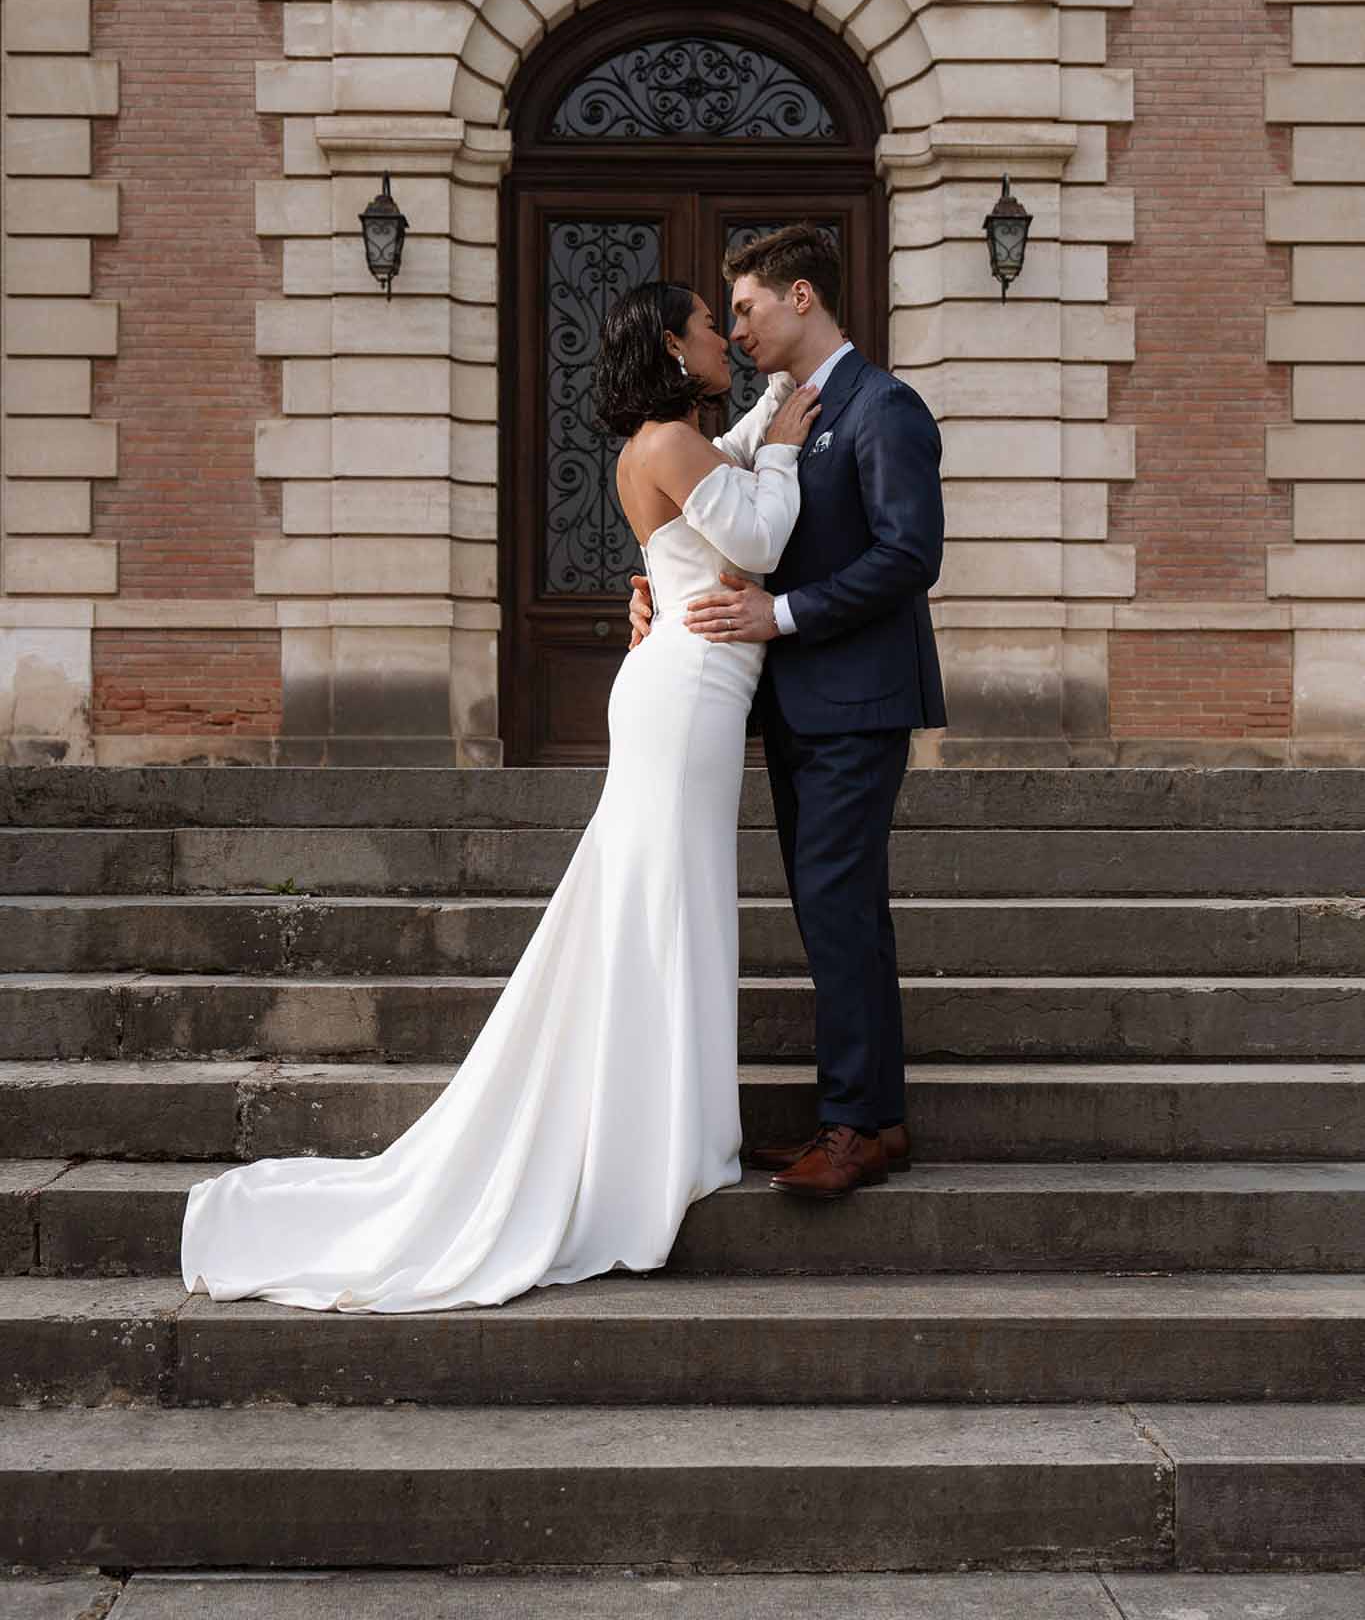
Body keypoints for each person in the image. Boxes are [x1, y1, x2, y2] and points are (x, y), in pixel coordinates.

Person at [179, 280, 820, 1313]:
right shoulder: (663, 443)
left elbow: (731, 463)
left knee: (669, 902)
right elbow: (757, 537)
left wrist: (775, 406)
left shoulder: (671, 442)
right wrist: (787, 441)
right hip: (686, 692)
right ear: (671, 341)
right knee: (665, 901)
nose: (722, 338)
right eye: (709, 324)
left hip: (685, 688)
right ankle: (657, 1144)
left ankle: (674, 1133)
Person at [631, 223, 946, 1200]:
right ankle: (878, 1118)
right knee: (839, 911)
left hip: (858, 699)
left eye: (747, 308)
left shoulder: (885, 407)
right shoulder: (775, 408)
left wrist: (782, 610)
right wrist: (655, 585)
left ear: (800, 297)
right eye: (725, 317)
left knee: (835, 907)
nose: (738, 327)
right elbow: (696, 508)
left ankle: (850, 1126)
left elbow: (908, 555)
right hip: (793, 704)